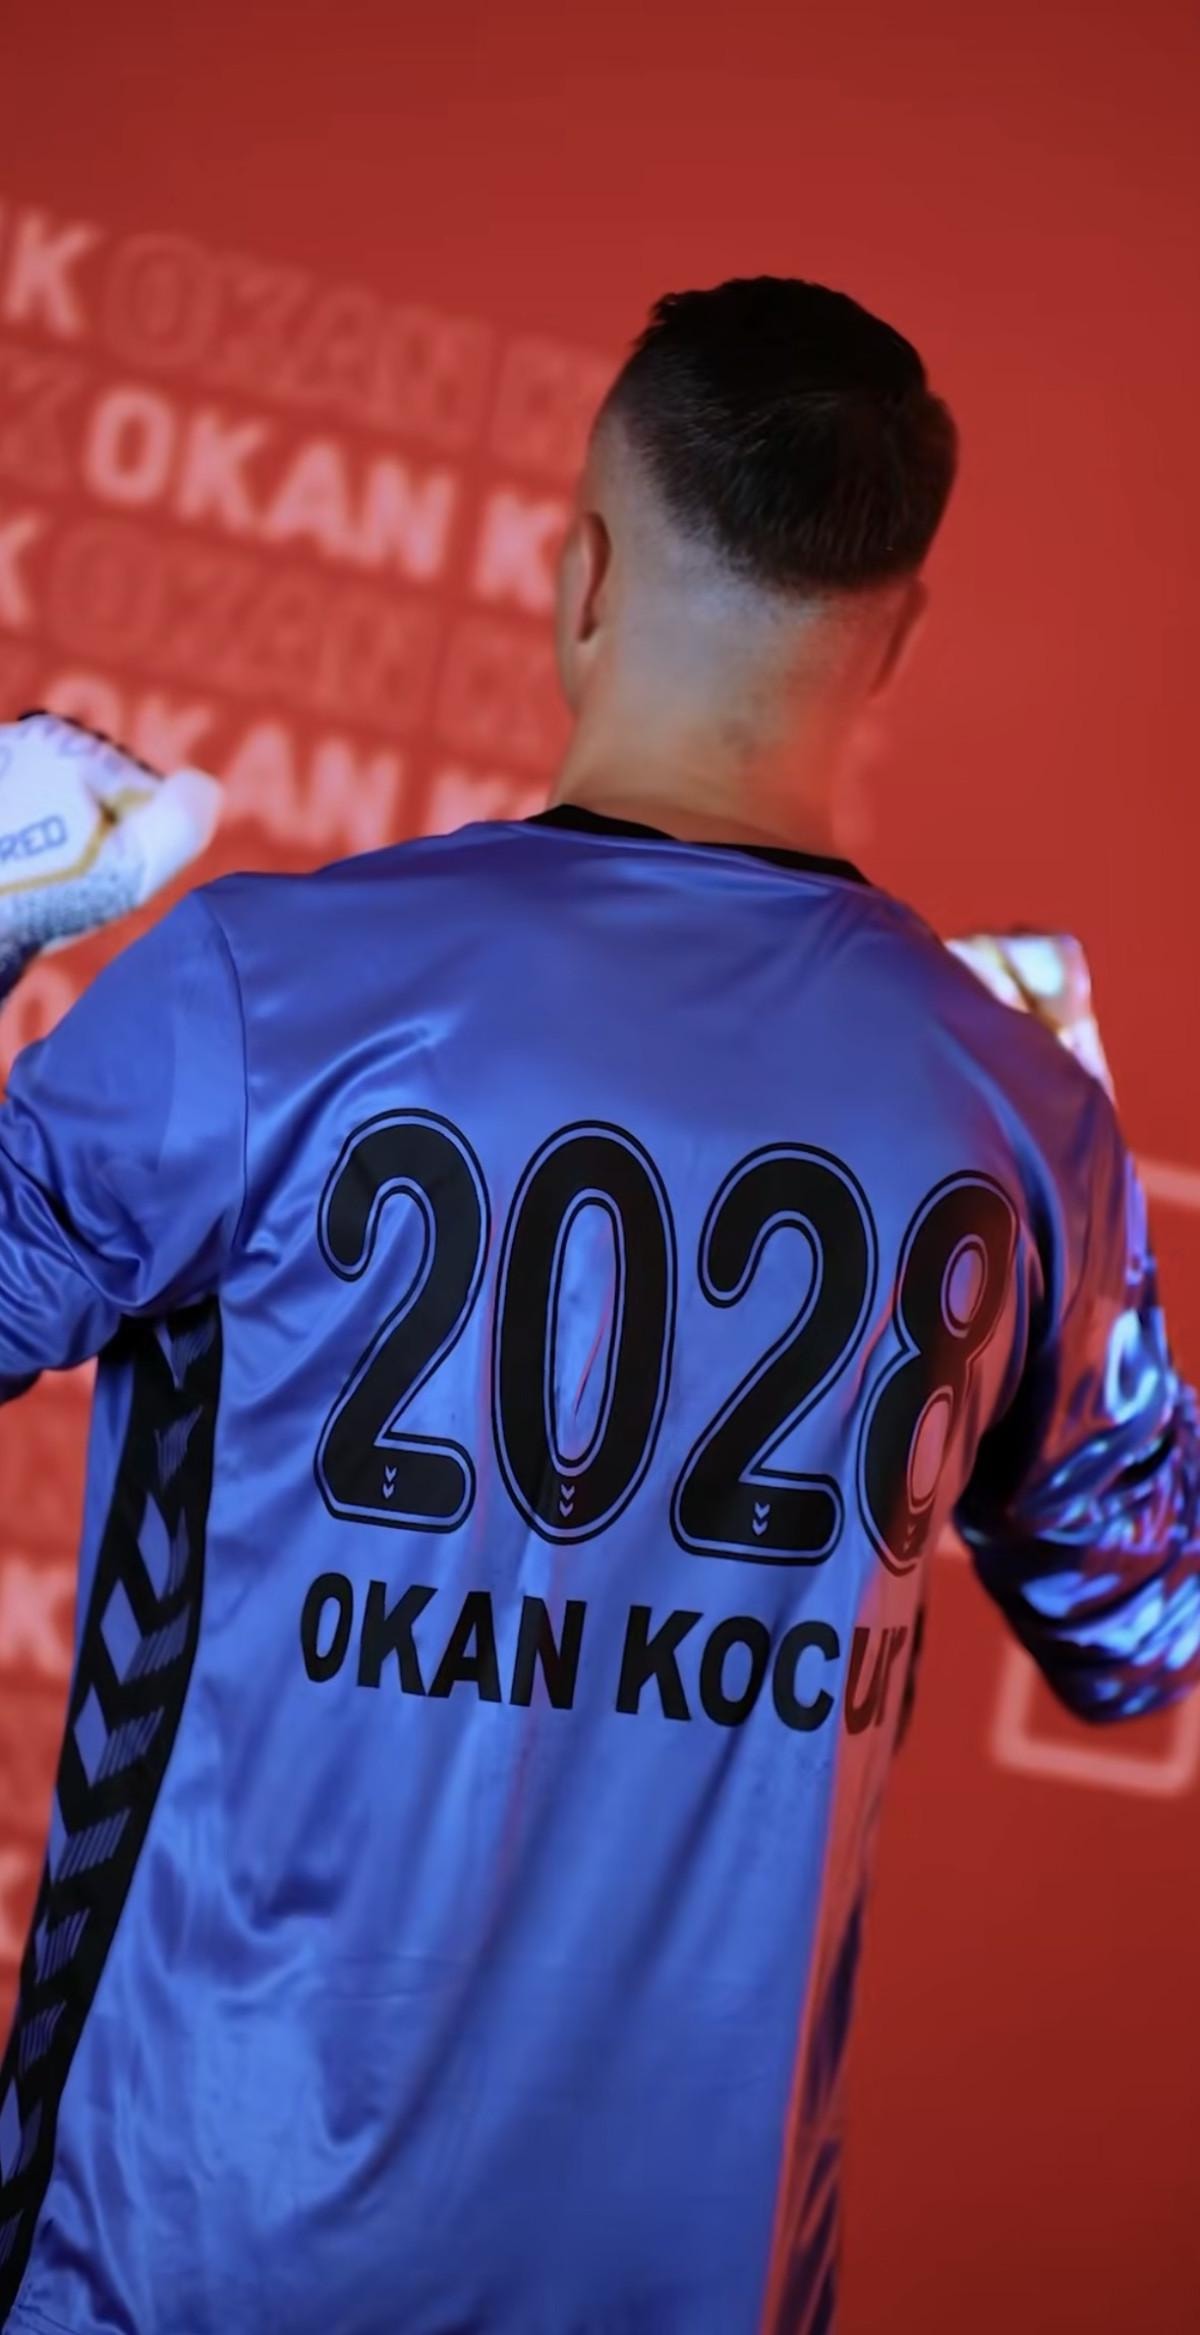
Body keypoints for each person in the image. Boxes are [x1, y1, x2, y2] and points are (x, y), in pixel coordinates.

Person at [0, 277, 1196, 2335]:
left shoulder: (265, 993)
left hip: (182, 2268)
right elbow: (1149, 1635)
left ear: (584, 574)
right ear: (898, 635)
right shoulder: (1017, 1123)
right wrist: (1075, 1175)